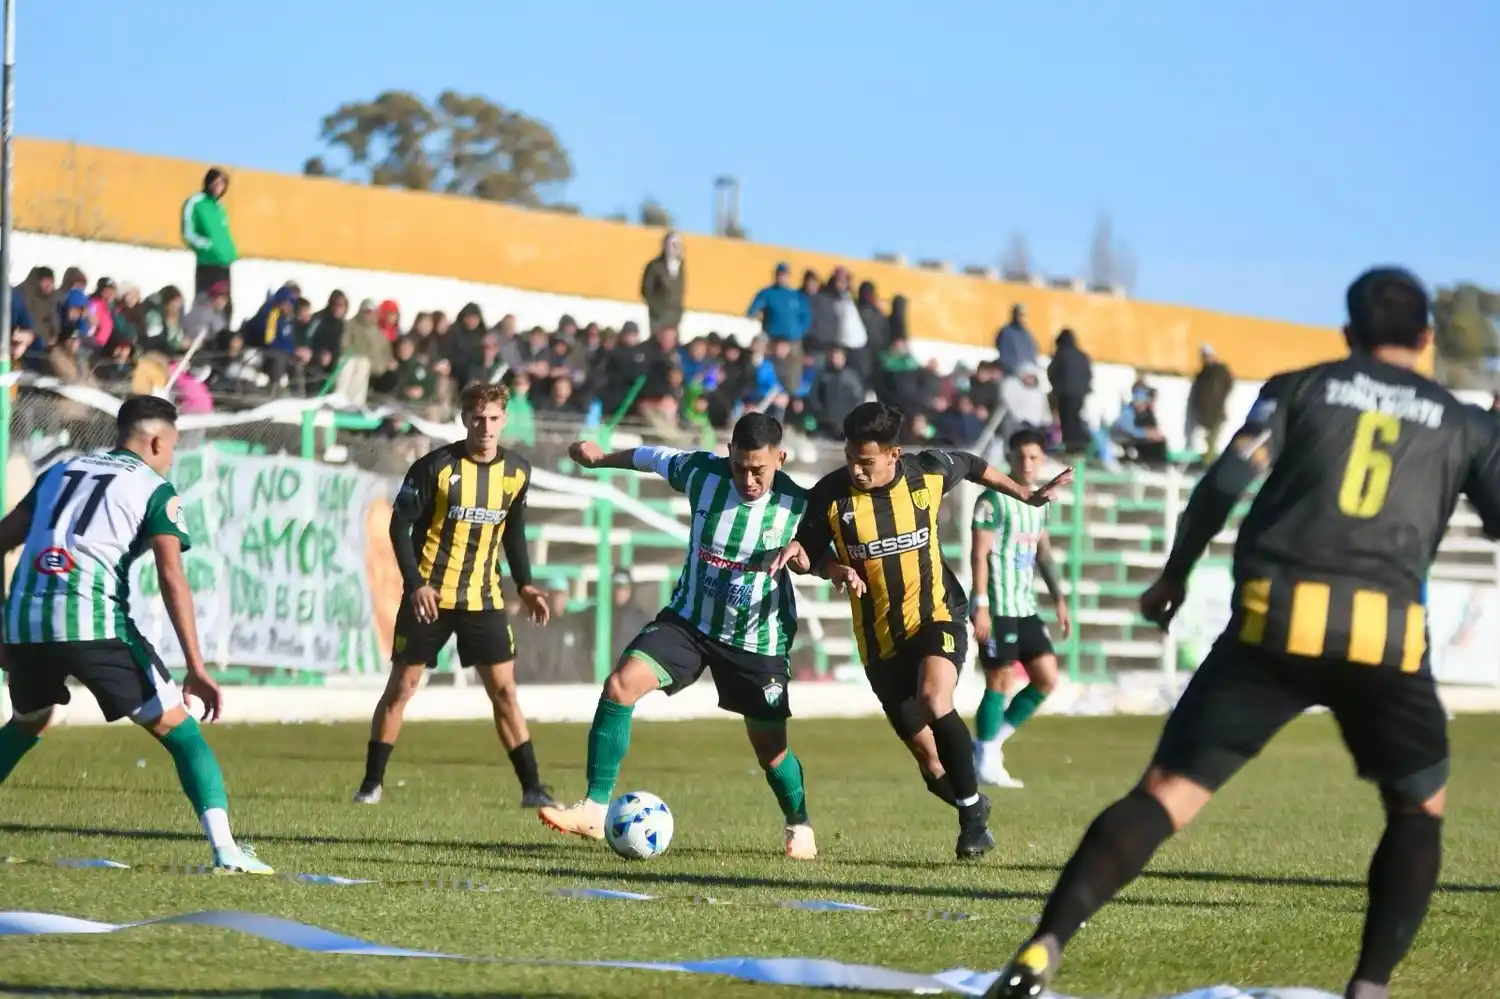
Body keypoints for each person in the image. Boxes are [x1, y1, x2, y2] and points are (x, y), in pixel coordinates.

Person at [984, 267, 1500, 999]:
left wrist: (1174, 575)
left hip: (1274, 613)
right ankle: (1369, 986)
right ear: (1426, 337)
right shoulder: (1463, 420)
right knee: (1419, 807)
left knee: (1166, 794)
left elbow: (1224, 482)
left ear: (1348, 334)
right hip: (1382, 630)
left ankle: (1043, 948)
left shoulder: (1299, 387)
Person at [774, 402, 1070, 859]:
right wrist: (827, 565)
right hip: (878, 641)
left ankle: (972, 824)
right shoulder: (830, 494)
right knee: (930, 762)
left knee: (936, 699)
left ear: (893, 454)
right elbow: (809, 556)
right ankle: (974, 803)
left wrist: (1022, 495)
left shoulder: (927, 471)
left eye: (866, 461)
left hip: (937, 615)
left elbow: (974, 465)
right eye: (851, 457)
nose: (856, 469)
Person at [0, 395, 271, 874]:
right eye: (173, 448)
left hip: (25, 623)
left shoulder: (59, 472)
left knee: (29, 720)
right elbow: (172, 577)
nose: (171, 458)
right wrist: (198, 667)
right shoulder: (155, 488)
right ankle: (227, 850)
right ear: (155, 441)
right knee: (184, 734)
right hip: (94, 624)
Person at [540, 413, 819, 859]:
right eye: (740, 467)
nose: (748, 479)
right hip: (689, 622)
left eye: (759, 470)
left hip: (755, 640)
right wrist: (600, 460)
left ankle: (799, 825)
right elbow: (651, 456)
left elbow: (824, 553)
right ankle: (594, 808)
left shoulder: (799, 504)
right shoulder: (703, 473)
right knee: (620, 685)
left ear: (780, 459)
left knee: (770, 750)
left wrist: (813, 559)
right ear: (728, 455)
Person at [354, 382, 556, 808]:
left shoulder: (517, 471)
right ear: (465, 419)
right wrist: (415, 584)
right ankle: (372, 783)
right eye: (478, 418)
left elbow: (514, 531)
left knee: (504, 692)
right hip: (430, 597)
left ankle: (533, 788)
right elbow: (398, 526)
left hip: (483, 599)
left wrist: (524, 583)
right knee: (403, 687)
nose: (485, 427)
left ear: (504, 419)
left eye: (494, 418)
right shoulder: (436, 467)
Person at [970, 429, 1071, 789]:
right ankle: (985, 759)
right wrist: (979, 604)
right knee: (999, 680)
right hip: (996, 606)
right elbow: (979, 554)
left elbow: (1042, 552)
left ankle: (988, 745)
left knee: (1046, 678)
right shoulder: (991, 501)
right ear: (1009, 458)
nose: (1027, 464)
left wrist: (1059, 598)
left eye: (1034, 457)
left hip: (1025, 606)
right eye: (1020, 457)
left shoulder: (1038, 503)